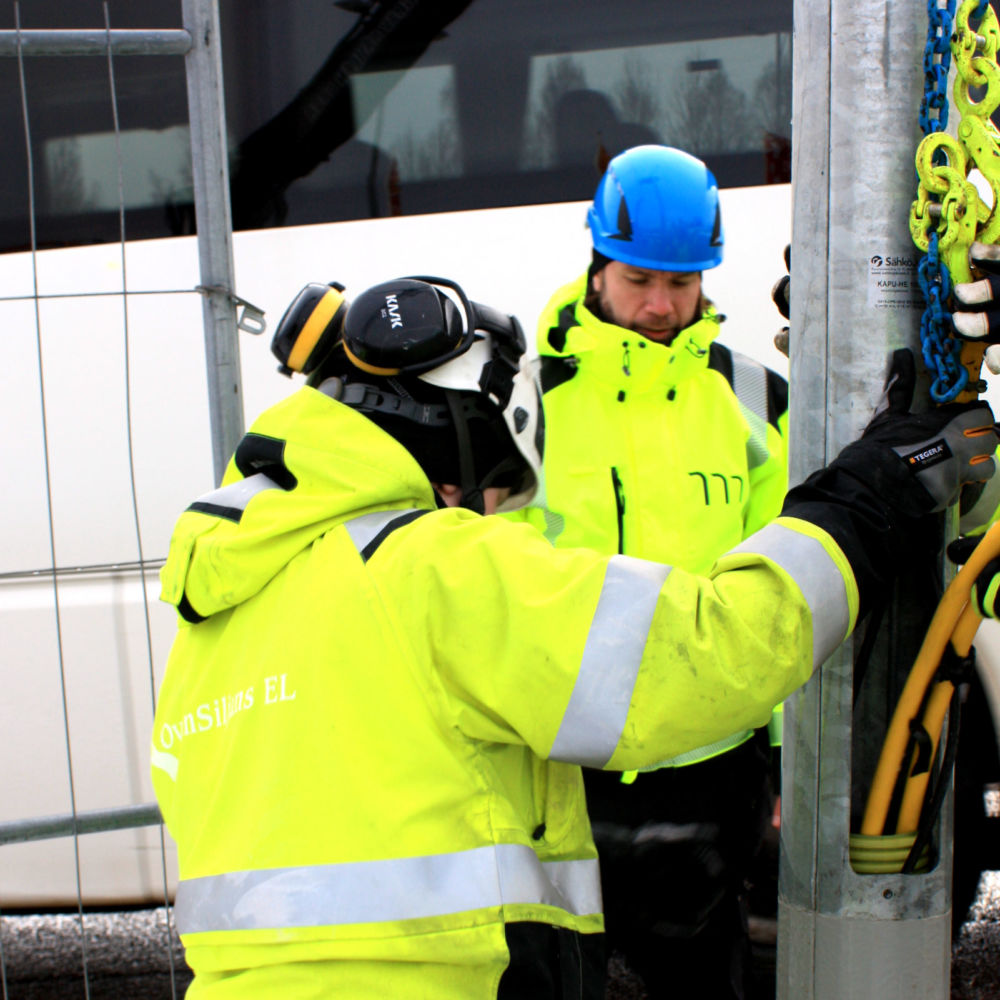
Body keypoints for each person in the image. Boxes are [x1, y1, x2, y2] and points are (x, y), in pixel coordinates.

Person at [149, 271, 995, 999]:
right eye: (485, 490)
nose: (482, 514)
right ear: (459, 448)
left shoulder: (216, 621)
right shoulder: (435, 569)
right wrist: (871, 492)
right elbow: (715, 650)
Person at [513, 144, 789, 997]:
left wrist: (782, 763)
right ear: (597, 264)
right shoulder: (523, 404)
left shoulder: (756, 401)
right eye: (640, 281)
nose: (662, 306)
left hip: (711, 771)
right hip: (563, 773)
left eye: (683, 282)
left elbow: (782, 592)